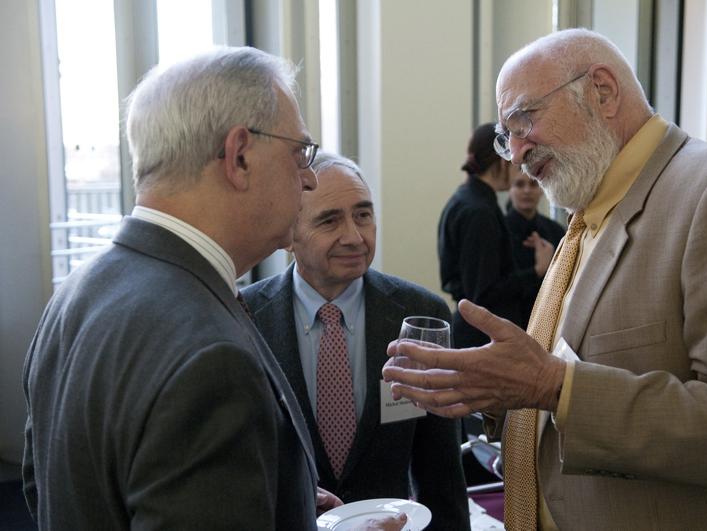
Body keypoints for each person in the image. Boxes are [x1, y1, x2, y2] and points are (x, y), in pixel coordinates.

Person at [384, 28, 707, 530]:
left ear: (601, 91)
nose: (515, 153)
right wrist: (501, 393)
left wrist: (553, 386)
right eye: (505, 135)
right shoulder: (589, 214)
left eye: (524, 120)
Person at [22, 47, 406, 531]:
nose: (308, 179)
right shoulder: (212, 355)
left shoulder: (77, 292)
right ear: (239, 156)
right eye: (299, 153)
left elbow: (48, 490)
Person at [242, 152, 470, 530]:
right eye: (330, 220)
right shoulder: (246, 317)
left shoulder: (418, 314)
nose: (354, 236)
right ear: (288, 232)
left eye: (363, 215)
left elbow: (442, 475)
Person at [438, 123, 551, 347]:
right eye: (514, 157)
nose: (518, 164)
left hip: (474, 333)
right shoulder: (479, 211)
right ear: (502, 159)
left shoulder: (467, 199)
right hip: (479, 338)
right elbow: (484, 294)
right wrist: (536, 271)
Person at [505, 166, 564, 316]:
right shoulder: (499, 230)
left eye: (533, 184)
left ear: (542, 189)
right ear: (509, 190)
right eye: (519, 184)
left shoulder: (556, 230)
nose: (527, 191)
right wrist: (538, 270)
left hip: (548, 314)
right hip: (510, 315)